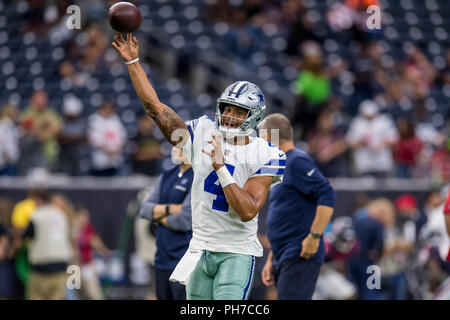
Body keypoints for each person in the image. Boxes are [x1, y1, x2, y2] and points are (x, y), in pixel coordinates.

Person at [112, 33, 286, 300]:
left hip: (236, 251)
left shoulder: (266, 152)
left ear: (254, 116)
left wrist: (220, 167)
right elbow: (156, 110)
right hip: (199, 248)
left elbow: (247, 211)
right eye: (227, 108)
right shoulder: (202, 131)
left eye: (238, 111)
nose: (229, 115)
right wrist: (133, 61)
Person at [259, 113, 336, 300]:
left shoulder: (296, 161)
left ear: (269, 138)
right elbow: (287, 214)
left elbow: (327, 192)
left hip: (299, 253)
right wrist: (272, 258)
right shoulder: (283, 165)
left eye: (260, 140)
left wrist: (315, 236)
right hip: (284, 254)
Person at [138, 147, 194, 300]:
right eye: (174, 144)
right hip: (161, 258)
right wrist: (171, 208)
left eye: (181, 145)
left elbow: (184, 220)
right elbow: (143, 209)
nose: (175, 149)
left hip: (184, 260)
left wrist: (156, 215)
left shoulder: (198, 176)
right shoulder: (167, 175)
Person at [21, 190, 73, 300]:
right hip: (61, 266)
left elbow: (26, 236)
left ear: (39, 200)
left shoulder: (37, 215)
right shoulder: (61, 215)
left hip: (42, 268)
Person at [346, 100, 398, 177]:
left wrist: (381, 144)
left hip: (382, 163)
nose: (370, 118)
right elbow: (349, 141)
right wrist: (362, 143)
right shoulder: (357, 123)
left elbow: (394, 138)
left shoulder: (384, 121)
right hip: (364, 164)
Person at [87, 101, 127, 176]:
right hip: (101, 160)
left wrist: (118, 149)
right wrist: (109, 150)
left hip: (115, 160)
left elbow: (122, 136)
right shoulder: (94, 119)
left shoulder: (115, 119)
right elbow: (95, 140)